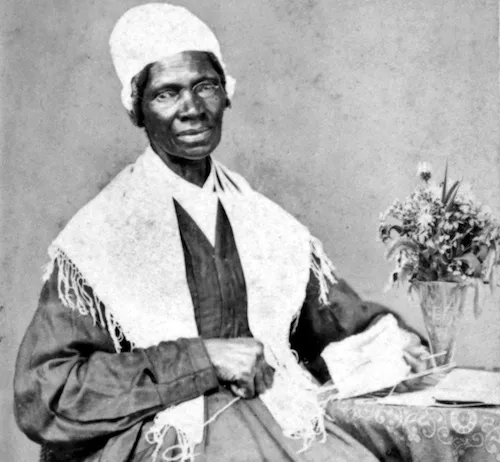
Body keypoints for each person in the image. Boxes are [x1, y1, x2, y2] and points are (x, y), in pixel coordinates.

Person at [14, 4, 429, 462]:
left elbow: (333, 327)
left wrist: (391, 341)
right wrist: (202, 359)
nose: (192, 109)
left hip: (276, 420)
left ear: (226, 94)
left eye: (205, 86)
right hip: (160, 438)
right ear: (137, 110)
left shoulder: (265, 223)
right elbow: (48, 394)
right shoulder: (101, 235)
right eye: (166, 94)